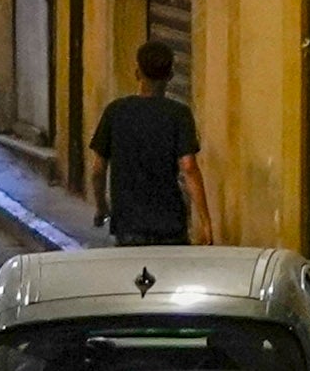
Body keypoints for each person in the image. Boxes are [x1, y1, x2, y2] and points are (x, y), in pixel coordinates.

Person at [86, 38, 216, 245]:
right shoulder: (179, 114)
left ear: (137, 73)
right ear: (171, 76)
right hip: (170, 224)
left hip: (128, 224)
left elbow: (98, 170)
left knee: (133, 277)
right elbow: (189, 167)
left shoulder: (115, 111)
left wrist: (102, 207)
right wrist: (206, 222)